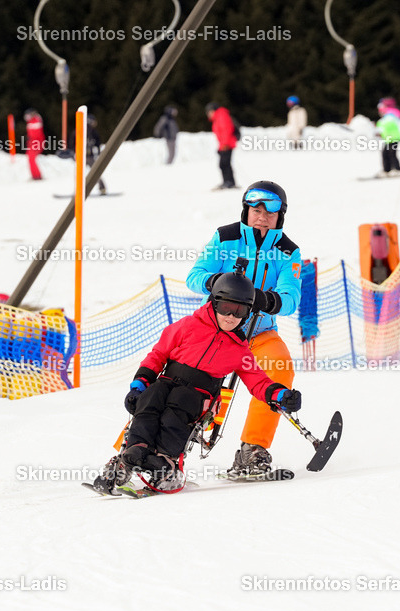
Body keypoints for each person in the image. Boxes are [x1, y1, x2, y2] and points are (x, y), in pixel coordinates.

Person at [94, 272, 302, 494]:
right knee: (149, 402)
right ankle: (133, 453)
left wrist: (280, 395)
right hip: (167, 381)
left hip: (198, 396)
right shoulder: (187, 326)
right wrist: (139, 385)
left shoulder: (239, 350)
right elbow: (158, 355)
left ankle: (165, 462)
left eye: (239, 311)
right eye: (226, 308)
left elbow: (258, 381)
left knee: (177, 409)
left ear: (248, 313)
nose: (231, 316)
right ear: (214, 304)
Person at [186, 180, 303, 476]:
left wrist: (265, 299)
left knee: (280, 367)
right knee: (182, 378)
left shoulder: (288, 252)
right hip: (217, 330)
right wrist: (217, 283)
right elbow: (195, 276)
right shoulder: (225, 238)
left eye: (270, 211)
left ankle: (252, 451)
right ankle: (144, 448)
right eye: (256, 208)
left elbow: (291, 297)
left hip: (260, 332)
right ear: (246, 210)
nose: (262, 216)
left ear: (280, 216)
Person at [205, 102, 238, 190]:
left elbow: (226, 130)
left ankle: (228, 182)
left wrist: (225, 144)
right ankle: (229, 182)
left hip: (227, 144)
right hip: (225, 144)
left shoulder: (221, 116)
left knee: (224, 164)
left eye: (209, 112)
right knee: (225, 163)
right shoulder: (219, 117)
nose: (208, 114)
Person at [375, 97, 400, 177]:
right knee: (385, 154)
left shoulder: (390, 117)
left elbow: (388, 126)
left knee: (392, 154)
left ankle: (397, 169)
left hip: (393, 139)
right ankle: (387, 170)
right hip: (388, 139)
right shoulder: (385, 119)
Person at [85, 114, 107, 195]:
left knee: (94, 172)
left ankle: (102, 188)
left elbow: (97, 143)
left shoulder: (93, 132)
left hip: (89, 156)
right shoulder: (82, 131)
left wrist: (98, 152)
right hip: (83, 156)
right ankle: (102, 188)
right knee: (94, 173)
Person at [24, 108, 46, 180]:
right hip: (33, 143)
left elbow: (35, 133)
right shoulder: (31, 121)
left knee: (31, 158)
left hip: (37, 143)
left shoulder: (36, 120)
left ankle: (37, 176)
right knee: (30, 158)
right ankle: (35, 175)